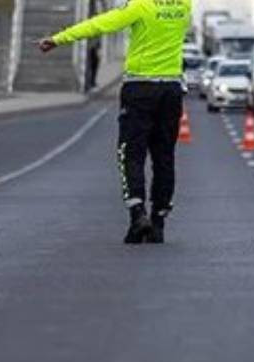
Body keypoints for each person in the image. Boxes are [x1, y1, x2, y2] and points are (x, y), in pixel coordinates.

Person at [39, 0, 192, 244]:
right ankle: (159, 221)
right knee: (164, 157)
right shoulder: (184, 6)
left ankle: (137, 213)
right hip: (171, 89)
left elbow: (100, 24)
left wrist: (59, 38)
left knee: (130, 153)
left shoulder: (140, 6)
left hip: (140, 86)